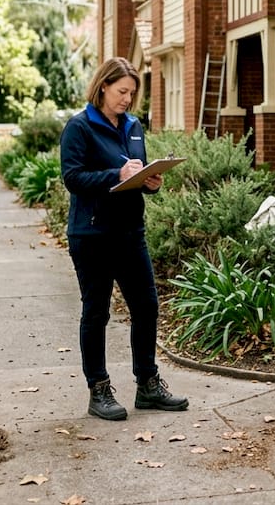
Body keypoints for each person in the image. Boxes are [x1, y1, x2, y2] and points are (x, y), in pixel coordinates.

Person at [60, 57, 188, 420]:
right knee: (96, 312)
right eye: (121, 92)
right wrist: (115, 173)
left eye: (132, 93)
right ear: (103, 86)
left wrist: (151, 182)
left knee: (146, 307)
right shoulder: (79, 127)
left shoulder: (133, 126)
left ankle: (148, 385)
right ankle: (98, 389)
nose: (127, 100)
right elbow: (73, 178)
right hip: (92, 235)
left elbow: (134, 176)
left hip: (131, 234)